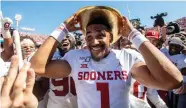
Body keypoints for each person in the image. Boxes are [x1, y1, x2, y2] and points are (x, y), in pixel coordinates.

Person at [30, 6, 183, 108]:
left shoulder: (127, 57)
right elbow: (37, 67)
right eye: (88, 36)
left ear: (111, 37)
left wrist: (133, 34)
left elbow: (172, 81)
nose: (94, 41)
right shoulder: (76, 57)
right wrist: (62, 29)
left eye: (100, 35)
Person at [47, 33, 77, 108]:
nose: (64, 39)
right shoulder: (50, 58)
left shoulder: (83, 57)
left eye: (67, 36)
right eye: (61, 37)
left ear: (75, 41)